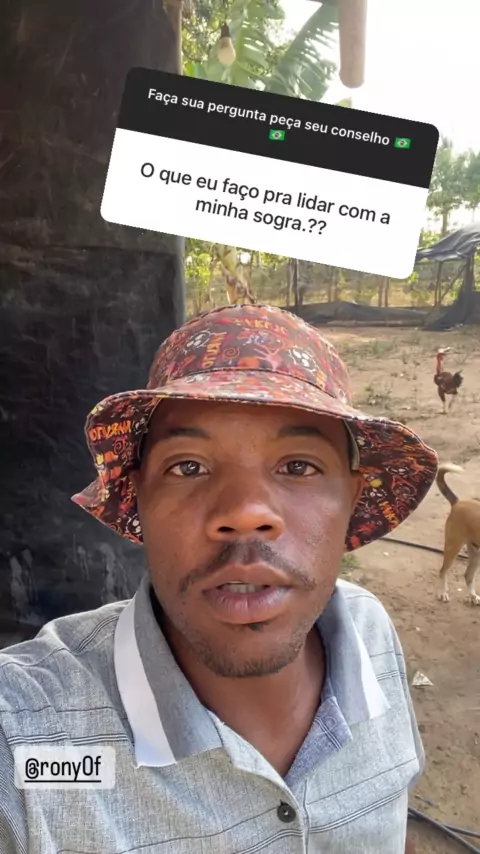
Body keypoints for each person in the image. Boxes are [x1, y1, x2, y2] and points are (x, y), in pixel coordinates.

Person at [0, 303, 437, 854]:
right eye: (188, 466)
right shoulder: (24, 735)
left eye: (299, 466)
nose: (246, 512)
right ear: (140, 499)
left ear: (351, 500)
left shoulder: (370, 631)